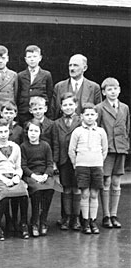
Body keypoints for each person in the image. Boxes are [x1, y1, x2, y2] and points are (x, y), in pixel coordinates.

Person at [95, 78, 130, 229]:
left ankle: (114, 214)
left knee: (116, 182)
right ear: (103, 92)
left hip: (120, 148)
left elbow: (126, 128)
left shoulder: (125, 108)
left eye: (115, 89)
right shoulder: (100, 108)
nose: (113, 92)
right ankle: (106, 215)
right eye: (109, 89)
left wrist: (124, 144)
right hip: (107, 150)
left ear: (119, 90)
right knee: (106, 182)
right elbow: (96, 129)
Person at [69, 103, 108, 234]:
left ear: (96, 116)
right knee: (84, 194)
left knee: (94, 194)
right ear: (81, 116)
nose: (90, 117)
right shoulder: (77, 132)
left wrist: (98, 161)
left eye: (92, 114)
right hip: (82, 167)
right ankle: (85, 221)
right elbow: (71, 150)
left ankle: (93, 221)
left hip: (96, 166)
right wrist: (77, 164)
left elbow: (105, 150)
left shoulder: (101, 132)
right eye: (87, 114)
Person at [0, 119, 27, 241]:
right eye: (0, 132)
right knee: (4, 194)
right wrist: (3, 179)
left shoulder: (16, 147)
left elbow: (19, 167)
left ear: (9, 132)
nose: (3, 134)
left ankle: (23, 224)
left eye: (5, 131)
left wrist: (17, 177)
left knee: (24, 193)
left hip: (13, 177)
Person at [21, 119, 61, 237]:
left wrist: (46, 175)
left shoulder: (45, 146)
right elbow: (23, 165)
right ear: (27, 132)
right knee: (37, 191)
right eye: (30, 131)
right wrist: (34, 176)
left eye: (36, 131)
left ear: (40, 132)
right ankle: (34, 222)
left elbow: (49, 163)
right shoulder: (23, 146)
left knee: (50, 189)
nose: (33, 133)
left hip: (44, 174)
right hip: (31, 175)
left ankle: (43, 221)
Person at [52, 92, 82, 231]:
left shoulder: (81, 121)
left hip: (78, 160)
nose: (68, 107)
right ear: (61, 106)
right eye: (65, 105)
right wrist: (55, 161)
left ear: (76, 105)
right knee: (66, 188)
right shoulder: (56, 123)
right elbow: (56, 143)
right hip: (64, 160)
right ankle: (66, 217)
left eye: (71, 104)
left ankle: (76, 218)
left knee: (76, 189)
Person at [51, 54, 101, 119]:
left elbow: (98, 113)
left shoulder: (94, 88)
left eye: (75, 65)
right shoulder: (59, 87)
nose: (72, 68)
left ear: (85, 68)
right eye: (70, 65)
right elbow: (53, 112)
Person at [16, 45, 53, 124]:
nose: (32, 59)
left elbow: (49, 94)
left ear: (40, 58)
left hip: (40, 112)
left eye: (35, 56)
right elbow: (18, 94)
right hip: (24, 112)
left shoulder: (46, 75)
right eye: (29, 57)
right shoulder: (20, 75)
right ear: (25, 59)